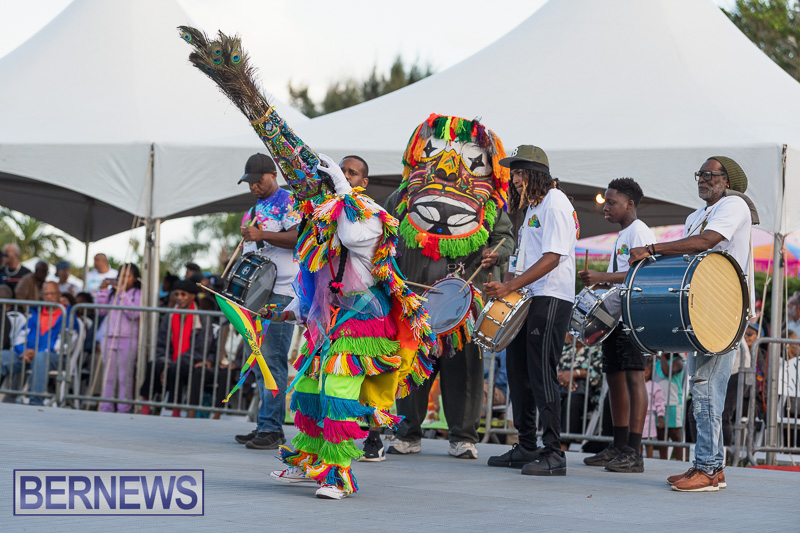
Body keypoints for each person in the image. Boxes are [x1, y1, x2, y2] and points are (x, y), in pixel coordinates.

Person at [179, 29, 436, 499]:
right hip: (329, 317)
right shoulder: (318, 217)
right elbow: (312, 273)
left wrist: (329, 200)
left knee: (338, 392)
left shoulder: (363, 216)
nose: (303, 193)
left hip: (362, 320)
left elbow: (352, 241)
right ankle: (314, 461)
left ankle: (340, 474)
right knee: (313, 394)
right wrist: (288, 308)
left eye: (311, 186)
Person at [384, 114, 515, 462]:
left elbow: (506, 238)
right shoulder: (402, 197)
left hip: (461, 301)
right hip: (414, 299)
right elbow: (382, 232)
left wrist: (494, 253)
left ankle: (463, 437)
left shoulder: (488, 206)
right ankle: (406, 432)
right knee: (411, 365)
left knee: (464, 370)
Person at [629, 155, 753, 492]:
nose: (703, 179)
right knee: (700, 385)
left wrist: (652, 247)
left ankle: (710, 471)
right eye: (700, 174)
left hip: (726, 307)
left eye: (710, 175)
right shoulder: (694, 215)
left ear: (726, 180)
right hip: (700, 307)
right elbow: (689, 257)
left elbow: (706, 242)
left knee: (707, 389)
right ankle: (706, 464)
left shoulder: (734, 205)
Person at [484, 144, 579, 476]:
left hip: (550, 297)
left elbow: (553, 258)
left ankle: (554, 453)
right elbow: (522, 258)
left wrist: (509, 286)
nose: (515, 180)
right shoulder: (534, 208)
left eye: (521, 173)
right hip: (527, 298)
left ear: (538, 174)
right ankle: (526, 446)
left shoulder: (555, 203)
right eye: (514, 174)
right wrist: (505, 286)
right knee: (518, 372)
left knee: (541, 374)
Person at [579, 178, 656, 473]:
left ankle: (634, 451)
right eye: (606, 202)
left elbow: (641, 275)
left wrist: (602, 278)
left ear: (630, 204)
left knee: (635, 378)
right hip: (614, 318)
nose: (606, 208)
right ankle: (618, 444)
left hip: (633, 317)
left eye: (612, 203)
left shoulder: (639, 232)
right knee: (614, 377)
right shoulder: (623, 234)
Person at [231, 153, 300, 451]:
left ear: (273, 174)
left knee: (271, 360)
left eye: (259, 181)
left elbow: (300, 237)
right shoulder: (253, 209)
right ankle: (265, 424)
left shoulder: (289, 201)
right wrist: (251, 238)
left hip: (283, 291)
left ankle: (272, 428)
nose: (254, 187)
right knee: (257, 360)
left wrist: (263, 234)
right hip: (258, 292)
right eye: (250, 183)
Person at [139, 280, 214, 412]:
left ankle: (175, 411)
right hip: (171, 359)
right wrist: (166, 362)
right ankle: (145, 408)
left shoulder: (203, 318)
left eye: (183, 294)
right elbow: (162, 343)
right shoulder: (170, 315)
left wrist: (174, 364)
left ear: (192, 296)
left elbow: (201, 348)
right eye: (176, 294)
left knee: (176, 368)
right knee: (153, 365)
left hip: (191, 361)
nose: (179, 298)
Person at [11, 281, 78, 405]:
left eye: (52, 293)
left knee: (41, 357)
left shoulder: (69, 315)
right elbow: (20, 337)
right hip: (28, 356)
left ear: (59, 294)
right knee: (4, 356)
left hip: (55, 358)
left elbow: (66, 345)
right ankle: (8, 399)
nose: (48, 297)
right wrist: (24, 352)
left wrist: (37, 352)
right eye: (45, 294)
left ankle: (35, 401)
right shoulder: (36, 313)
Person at [95, 263, 142, 413]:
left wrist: (122, 293)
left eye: (127, 276)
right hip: (108, 337)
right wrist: (103, 291)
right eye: (121, 275)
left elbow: (134, 314)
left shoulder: (138, 293)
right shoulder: (112, 293)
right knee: (108, 376)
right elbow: (101, 311)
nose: (123, 279)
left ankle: (123, 408)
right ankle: (106, 407)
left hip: (127, 339)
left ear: (134, 278)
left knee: (125, 377)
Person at [557, 334, 602, 451]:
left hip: (587, 394)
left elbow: (596, 374)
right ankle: (549, 442)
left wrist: (575, 373)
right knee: (550, 399)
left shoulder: (596, 349)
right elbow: (555, 367)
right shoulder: (566, 348)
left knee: (572, 402)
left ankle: (563, 446)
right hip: (561, 388)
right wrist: (564, 377)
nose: (575, 336)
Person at [654, 352, 687, 461]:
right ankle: (663, 460)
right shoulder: (657, 363)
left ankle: (679, 461)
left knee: (675, 434)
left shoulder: (678, 362)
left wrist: (662, 355)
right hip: (659, 404)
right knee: (661, 434)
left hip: (673, 404)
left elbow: (667, 372)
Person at [643, 361, 666, 459]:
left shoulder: (655, 386)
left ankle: (649, 459)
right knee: (637, 440)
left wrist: (660, 416)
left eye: (647, 370)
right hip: (638, 416)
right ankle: (638, 457)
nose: (645, 372)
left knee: (648, 441)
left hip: (649, 417)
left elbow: (660, 402)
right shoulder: (635, 385)